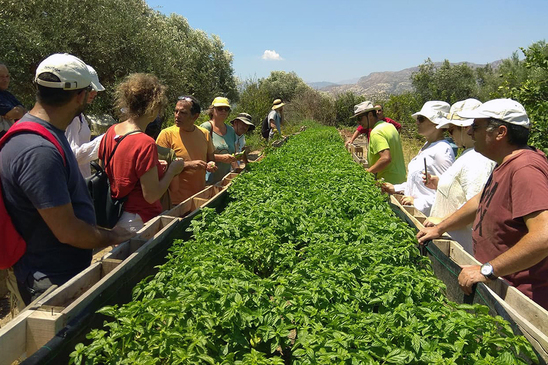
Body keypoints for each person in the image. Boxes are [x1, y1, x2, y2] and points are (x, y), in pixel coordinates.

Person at [0, 53, 134, 304]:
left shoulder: (43, 133)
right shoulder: (38, 150)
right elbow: (68, 231)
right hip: (51, 281)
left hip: (53, 272)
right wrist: (113, 236)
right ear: (80, 96)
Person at [417, 99, 548, 309]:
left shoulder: (525, 168)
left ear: (500, 132)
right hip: (498, 288)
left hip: (520, 301)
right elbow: (480, 201)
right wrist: (441, 228)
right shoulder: (504, 164)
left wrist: (487, 269)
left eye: (476, 127)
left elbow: (543, 237)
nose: (469, 132)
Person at [99, 74, 185, 232]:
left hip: (113, 215)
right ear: (153, 107)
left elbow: (111, 170)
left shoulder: (111, 131)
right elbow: (151, 195)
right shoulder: (145, 142)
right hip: (138, 220)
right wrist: (173, 170)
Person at [423, 99, 495, 254]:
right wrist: (439, 183)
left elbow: (477, 204)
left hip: (461, 248)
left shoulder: (477, 159)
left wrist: (442, 222)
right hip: (451, 243)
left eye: (452, 130)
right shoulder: (469, 153)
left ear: (466, 128)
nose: (450, 135)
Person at [382, 101, 455, 215]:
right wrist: (395, 188)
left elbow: (448, 192)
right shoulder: (427, 145)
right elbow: (417, 184)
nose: (416, 122)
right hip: (415, 215)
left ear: (435, 123)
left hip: (427, 219)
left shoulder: (442, 150)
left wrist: (417, 202)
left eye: (421, 118)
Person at [156, 95, 217, 205]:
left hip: (198, 198)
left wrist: (211, 164)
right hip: (173, 202)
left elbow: (211, 159)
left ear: (195, 116)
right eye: (176, 111)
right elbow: (158, 168)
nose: (177, 116)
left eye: (183, 113)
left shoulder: (204, 134)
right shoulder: (166, 135)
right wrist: (189, 165)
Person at [65, 65, 105, 178]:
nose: (95, 92)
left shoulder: (79, 115)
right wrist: (105, 140)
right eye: (91, 89)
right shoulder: (71, 117)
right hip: (74, 183)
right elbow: (73, 156)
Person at [352, 101, 406, 184]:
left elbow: (386, 158)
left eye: (360, 118)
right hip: (400, 180)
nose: (358, 122)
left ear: (370, 115)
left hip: (387, 182)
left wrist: (367, 173)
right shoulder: (390, 126)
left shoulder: (376, 132)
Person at [200, 97, 238, 184]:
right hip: (207, 181)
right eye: (220, 109)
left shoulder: (231, 130)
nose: (223, 111)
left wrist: (237, 171)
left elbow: (233, 154)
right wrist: (221, 158)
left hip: (224, 180)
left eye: (226, 109)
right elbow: (199, 155)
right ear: (212, 110)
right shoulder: (205, 128)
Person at [145, 116, 178, 211]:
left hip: (132, 212)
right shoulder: (168, 154)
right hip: (160, 208)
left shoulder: (128, 148)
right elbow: (175, 188)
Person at [0, 63, 27, 138]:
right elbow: (17, 113)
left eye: (7, 76)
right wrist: (18, 110)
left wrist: (19, 110)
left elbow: (24, 112)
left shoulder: (7, 94)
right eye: (1, 77)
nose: (5, 80)